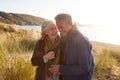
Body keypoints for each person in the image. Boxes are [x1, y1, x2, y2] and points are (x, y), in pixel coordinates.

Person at [49, 13, 94, 80]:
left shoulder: (81, 40)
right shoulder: (64, 38)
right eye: (57, 28)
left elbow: (85, 68)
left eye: (61, 27)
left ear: (70, 24)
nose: (59, 30)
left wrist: (60, 68)